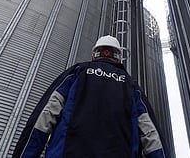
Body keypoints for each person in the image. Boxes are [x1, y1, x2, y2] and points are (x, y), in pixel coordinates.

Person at [12, 35, 165, 158]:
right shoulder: (131, 86)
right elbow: (151, 136)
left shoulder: (77, 72)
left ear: (94, 54)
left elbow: (45, 117)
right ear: (119, 57)